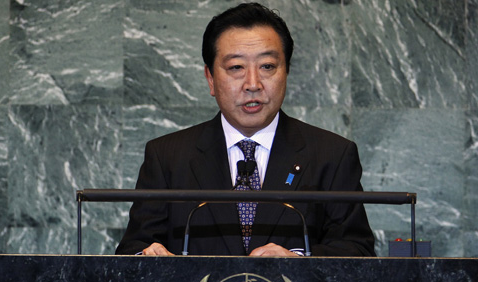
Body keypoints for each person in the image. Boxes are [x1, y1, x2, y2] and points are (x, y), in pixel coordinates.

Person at [116, 2, 376, 257]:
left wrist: (297, 260)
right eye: (236, 67)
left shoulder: (332, 155)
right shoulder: (167, 157)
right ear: (210, 79)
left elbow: (357, 250)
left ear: (286, 72)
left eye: (267, 66)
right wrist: (149, 258)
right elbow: (133, 248)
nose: (253, 84)